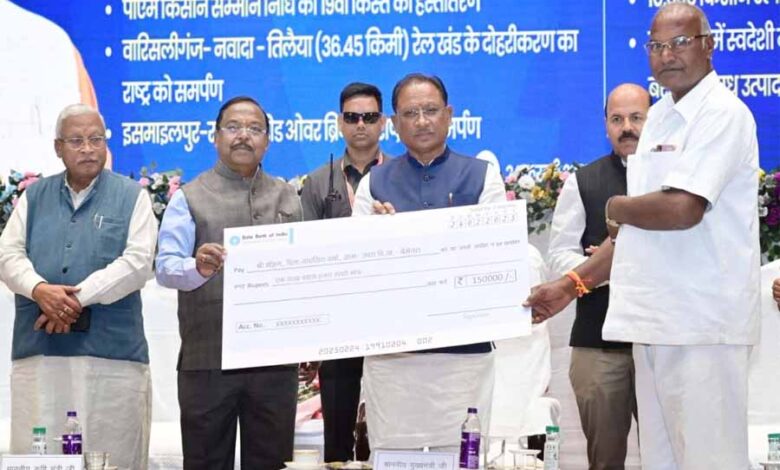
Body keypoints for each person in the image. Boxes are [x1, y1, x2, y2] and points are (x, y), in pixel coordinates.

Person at [527, 4, 759, 469]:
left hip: (703, 326)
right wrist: (569, 286)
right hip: (653, 323)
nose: (667, 55)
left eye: (680, 42)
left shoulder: (722, 113)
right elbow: (632, 235)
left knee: (710, 461)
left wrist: (616, 207)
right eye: (656, 46)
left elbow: (682, 208)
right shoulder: (661, 118)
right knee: (661, 461)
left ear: (708, 46)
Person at [352, 73, 505, 453]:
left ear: (449, 115)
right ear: (394, 122)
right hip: (393, 357)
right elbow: (358, 266)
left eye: (431, 110)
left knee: (463, 454)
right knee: (393, 455)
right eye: (410, 113)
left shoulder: (482, 177)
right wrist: (381, 240)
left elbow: (493, 256)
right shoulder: (373, 183)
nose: (421, 121)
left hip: (464, 354)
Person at [0, 104, 157, 469]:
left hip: (112, 358)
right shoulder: (34, 197)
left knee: (113, 456)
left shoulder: (132, 196)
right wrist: (40, 290)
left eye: (96, 139)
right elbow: (7, 255)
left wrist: (71, 300)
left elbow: (137, 263)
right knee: (41, 458)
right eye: (76, 141)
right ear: (58, 147)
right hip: (41, 355)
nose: (88, 148)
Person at [155, 96, 303, 470]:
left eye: (254, 129)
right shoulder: (189, 197)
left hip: (274, 361)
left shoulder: (288, 195)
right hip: (207, 359)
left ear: (267, 140)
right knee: (206, 463)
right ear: (216, 136)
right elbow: (165, 267)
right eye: (233, 127)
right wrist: (197, 267)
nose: (243, 136)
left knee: (273, 464)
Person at [547, 83, 650, 470]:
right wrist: (603, 271)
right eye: (617, 119)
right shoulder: (584, 180)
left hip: (662, 343)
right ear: (605, 125)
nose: (627, 128)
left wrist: (608, 261)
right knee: (604, 461)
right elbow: (559, 255)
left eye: (636, 118)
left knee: (670, 455)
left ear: (654, 121)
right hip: (598, 343)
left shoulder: (675, 182)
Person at [300, 82, 389, 462]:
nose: (361, 125)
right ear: (339, 123)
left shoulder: (400, 175)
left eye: (369, 117)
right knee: (337, 435)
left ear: (383, 122)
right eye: (352, 117)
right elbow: (305, 257)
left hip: (390, 320)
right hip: (337, 323)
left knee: (388, 428)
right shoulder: (319, 181)